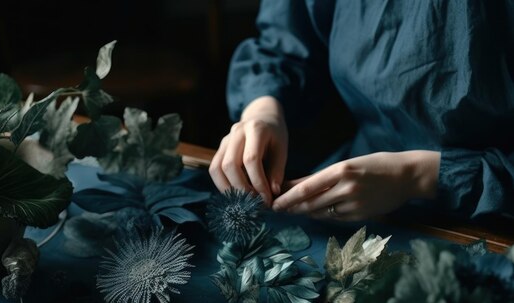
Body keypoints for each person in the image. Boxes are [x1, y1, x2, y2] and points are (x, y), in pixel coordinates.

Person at [209, 0, 514, 222]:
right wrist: (263, 111)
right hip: (351, 194)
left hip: (493, 216)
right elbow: (286, 44)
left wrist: (420, 176)